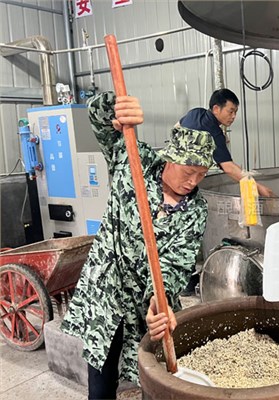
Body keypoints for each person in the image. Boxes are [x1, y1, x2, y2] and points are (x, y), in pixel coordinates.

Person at [61, 91, 215, 399]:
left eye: (201, 174)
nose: (192, 181)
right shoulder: (133, 159)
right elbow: (98, 118)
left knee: (151, 379)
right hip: (106, 292)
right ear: (170, 157)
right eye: (188, 171)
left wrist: (160, 302)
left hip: (142, 306)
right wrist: (116, 104)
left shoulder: (196, 210)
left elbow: (175, 265)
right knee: (101, 383)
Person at [178, 88, 275, 197]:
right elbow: (229, 168)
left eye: (235, 112)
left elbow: (177, 126)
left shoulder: (196, 112)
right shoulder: (214, 133)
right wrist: (259, 188)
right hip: (181, 185)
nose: (233, 116)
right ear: (216, 109)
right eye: (230, 111)